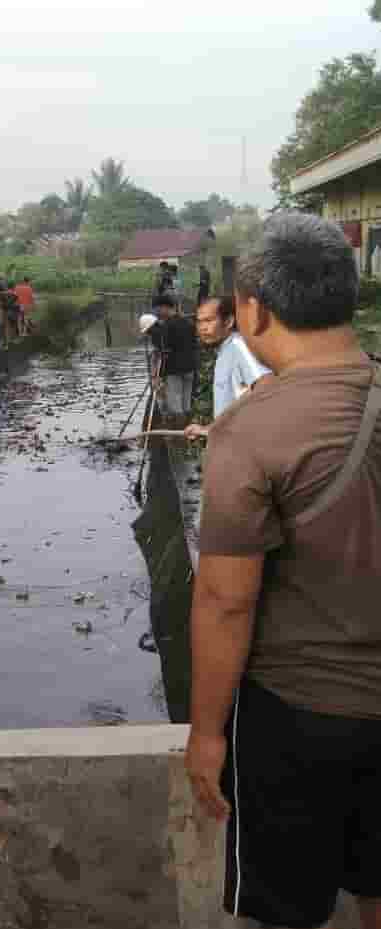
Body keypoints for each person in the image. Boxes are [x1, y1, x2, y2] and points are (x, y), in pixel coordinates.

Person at [185, 212, 381, 929]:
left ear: (254, 309)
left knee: (283, 906)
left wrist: (206, 732)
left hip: (297, 717)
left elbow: (224, 602)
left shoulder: (251, 429)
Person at [183, 296, 271, 440]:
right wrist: (210, 428)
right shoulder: (224, 350)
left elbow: (265, 384)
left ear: (229, 321)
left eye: (209, 321)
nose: (202, 328)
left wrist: (211, 428)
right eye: (199, 322)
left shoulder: (239, 346)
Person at [151, 293, 198, 424]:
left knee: (175, 404)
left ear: (165, 307)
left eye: (158, 309)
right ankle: (189, 431)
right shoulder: (189, 323)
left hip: (174, 371)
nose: (157, 313)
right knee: (186, 403)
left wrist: (157, 375)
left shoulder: (167, 326)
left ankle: (179, 436)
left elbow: (162, 349)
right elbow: (195, 344)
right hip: (190, 368)